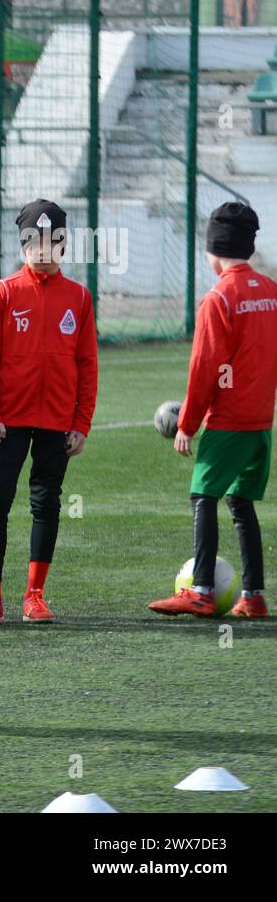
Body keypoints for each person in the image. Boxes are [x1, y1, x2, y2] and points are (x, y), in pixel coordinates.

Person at [0, 200, 98, 623]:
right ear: (22, 244)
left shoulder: (78, 297)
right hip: (8, 421)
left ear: (64, 244)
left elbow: (87, 364)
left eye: (53, 241)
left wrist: (81, 423)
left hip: (57, 423)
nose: (43, 249)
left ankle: (35, 595)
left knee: (46, 504)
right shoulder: (3, 293)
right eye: (34, 241)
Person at [150, 202, 274, 618]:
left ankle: (201, 588)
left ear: (213, 250)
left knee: (203, 495)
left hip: (229, 422)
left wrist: (186, 423)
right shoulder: (271, 293)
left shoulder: (219, 298)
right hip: (261, 424)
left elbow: (204, 369)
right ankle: (254, 596)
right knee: (240, 504)